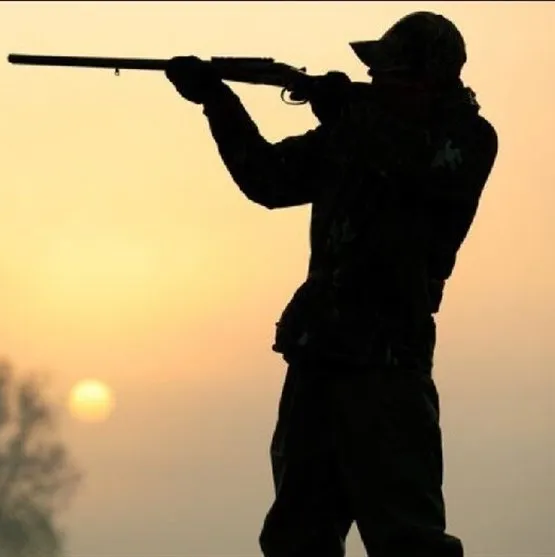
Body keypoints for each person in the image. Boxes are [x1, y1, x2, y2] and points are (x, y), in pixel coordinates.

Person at [165, 11, 498, 557]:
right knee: (297, 537)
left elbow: (411, 165)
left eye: (388, 73)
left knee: (409, 539)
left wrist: (346, 110)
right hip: (318, 357)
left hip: (387, 366)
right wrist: (218, 102)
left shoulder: (465, 139)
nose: (375, 81)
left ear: (426, 78)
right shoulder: (354, 131)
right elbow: (268, 179)